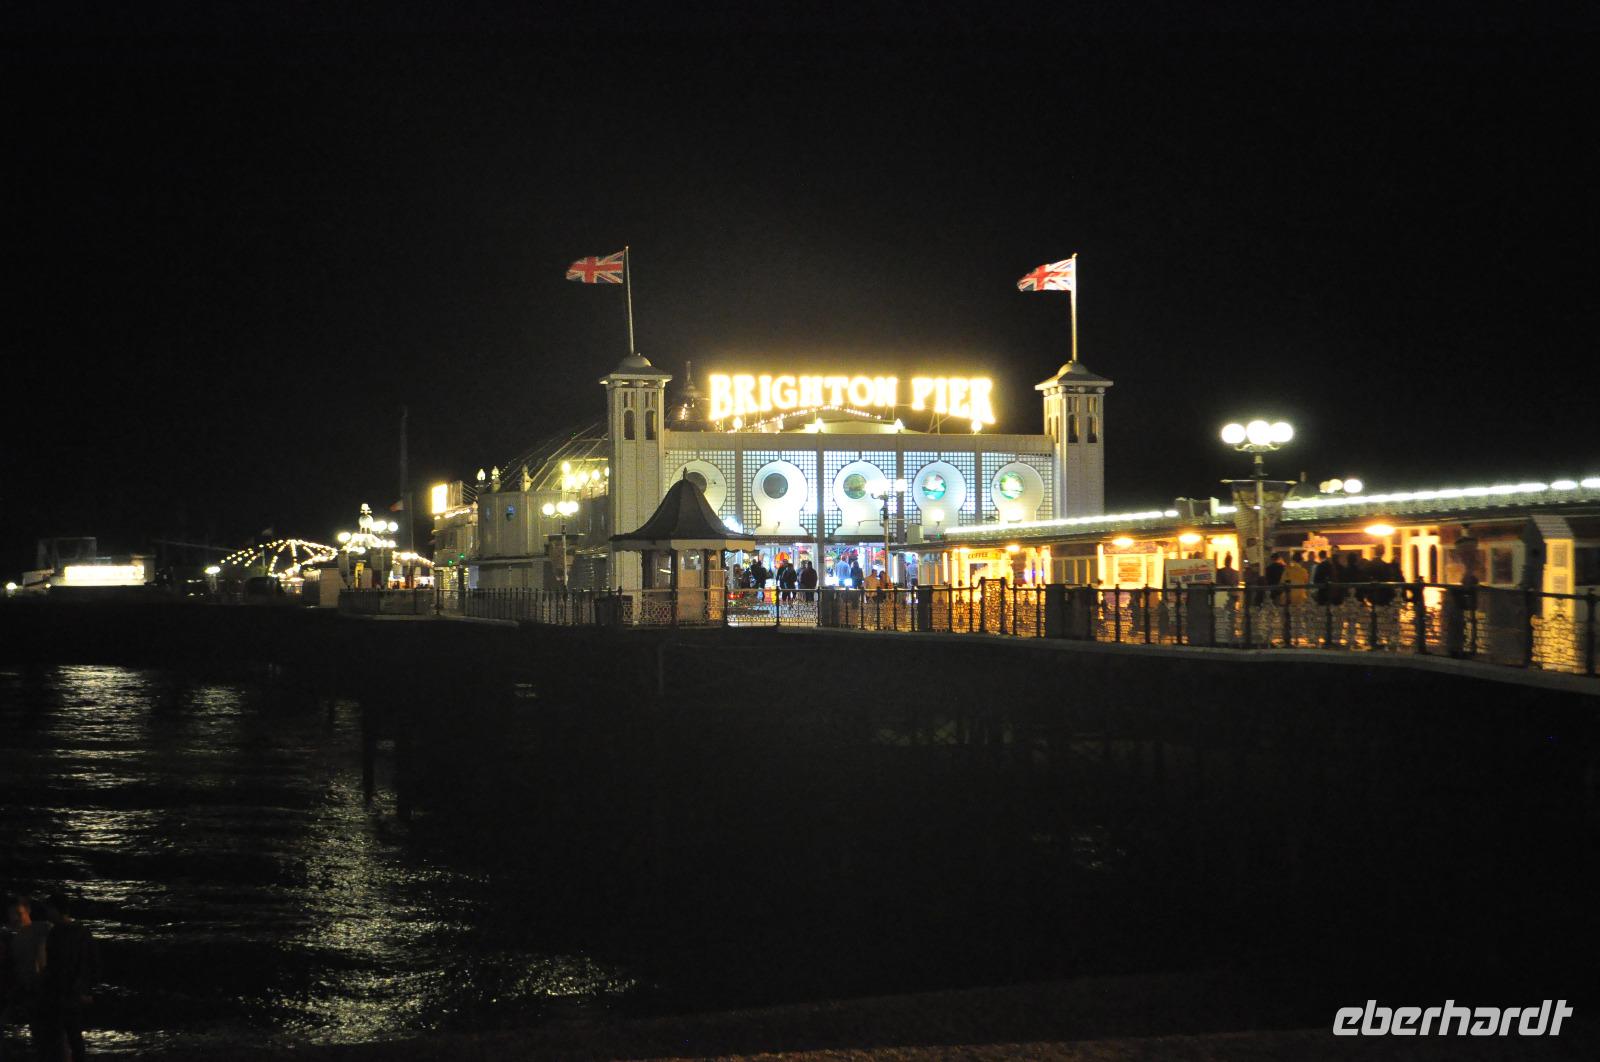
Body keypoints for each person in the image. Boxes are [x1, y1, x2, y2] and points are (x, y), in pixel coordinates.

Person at [38, 894, 99, 1062]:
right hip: (74, 992)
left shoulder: (55, 933)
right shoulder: (82, 932)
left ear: (57, 910)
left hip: (61, 993)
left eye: (49, 910)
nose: (47, 914)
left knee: (61, 1037)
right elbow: (93, 962)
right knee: (74, 1037)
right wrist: (89, 990)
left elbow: (53, 966)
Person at [3, 895, 56, 1061]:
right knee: (40, 1038)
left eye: (19, 914)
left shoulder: (42, 929)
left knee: (51, 1037)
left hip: (46, 991)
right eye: (12, 915)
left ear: (28, 912)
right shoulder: (13, 939)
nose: (15, 919)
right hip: (29, 992)